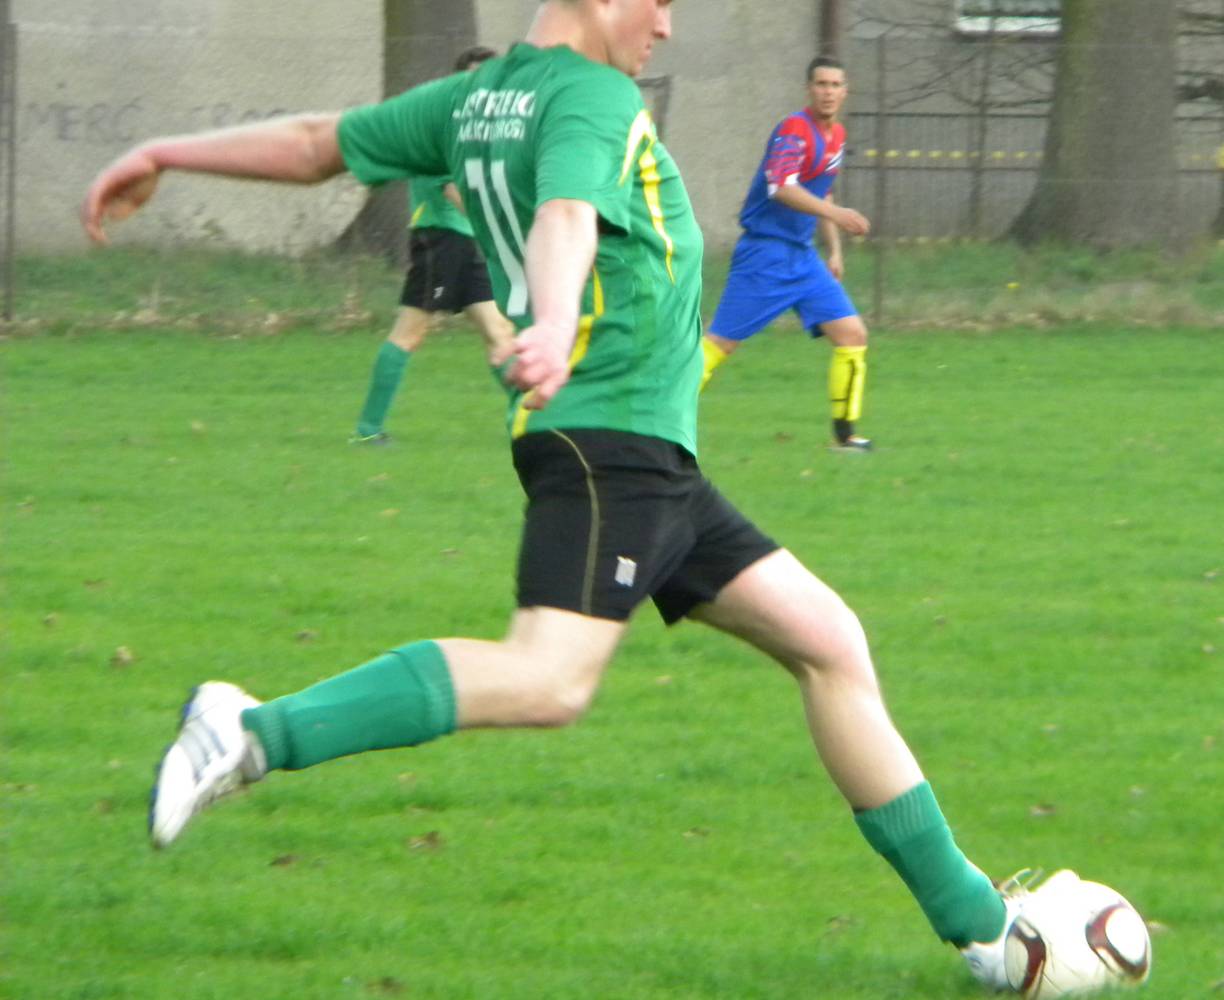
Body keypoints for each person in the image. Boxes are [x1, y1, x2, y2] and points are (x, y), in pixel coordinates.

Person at [80, 1, 1029, 988]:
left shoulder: (477, 97)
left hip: (644, 454)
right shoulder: (592, 95)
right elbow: (566, 215)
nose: (666, 23)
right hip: (610, 443)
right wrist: (555, 317)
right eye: (656, 0)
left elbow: (321, 143)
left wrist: (166, 151)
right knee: (547, 679)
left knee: (828, 642)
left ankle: (983, 930)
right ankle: (250, 732)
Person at [700, 56, 876, 452]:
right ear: (809, 89)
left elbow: (822, 192)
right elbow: (782, 187)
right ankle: (653, 424)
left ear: (845, 92)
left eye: (835, 85)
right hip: (765, 254)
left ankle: (846, 437)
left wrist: (834, 251)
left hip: (803, 257)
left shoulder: (837, 136)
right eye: (821, 84)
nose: (828, 92)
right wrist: (838, 215)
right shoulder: (794, 130)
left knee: (852, 334)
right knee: (720, 344)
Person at [350, 46, 515, 445]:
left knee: (499, 332)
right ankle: (368, 431)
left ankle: (535, 424)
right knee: (410, 333)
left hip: (466, 242)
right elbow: (452, 188)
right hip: (440, 240)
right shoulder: (447, 124)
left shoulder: (477, 130)